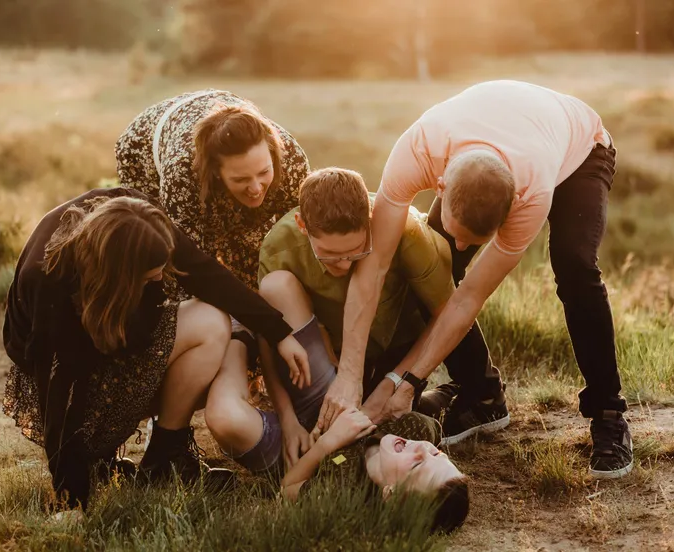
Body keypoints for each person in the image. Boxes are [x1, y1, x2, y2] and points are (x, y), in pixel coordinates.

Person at [336, 80, 633, 479]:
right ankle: (482, 396)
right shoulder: (418, 149)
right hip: (505, 136)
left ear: (509, 212)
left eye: (474, 241)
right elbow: (374, 268)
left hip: (579, 150)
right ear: (440, 185)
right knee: (431, 263)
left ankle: (608, 412)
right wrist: (350, 378)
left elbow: (467, 299)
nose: (460, 243)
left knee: (575, 265)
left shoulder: (531, 193)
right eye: (459, 232)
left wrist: (408, 383)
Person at [2, 187, 309, 512]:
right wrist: (71, 498)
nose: (162, 277)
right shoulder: (49, 282)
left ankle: (164, 458)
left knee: (210, 321)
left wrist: (278, 332)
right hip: (60, 376)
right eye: (150, 278)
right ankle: (94, 459)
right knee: (76, 432)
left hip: (117, 337)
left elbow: (207, 276)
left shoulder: (141, 219)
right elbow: (58, 397)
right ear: (117, 274)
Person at [204, 167, 482, 476]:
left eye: (355, 253)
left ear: (372, 221)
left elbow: (448, 318)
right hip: (323, 366)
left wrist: (397, 381)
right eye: (330, 255)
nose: (344, 264)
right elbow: (271, 336)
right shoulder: (279, 246)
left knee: (392, 425)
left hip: (394, 355)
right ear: (302, 226)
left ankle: (435, 397)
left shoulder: (408, 232)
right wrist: (288, 420)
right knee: (274, 286)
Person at [116, 89, 310, 388]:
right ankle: (189, 372)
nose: (257, 188)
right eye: (241, 179)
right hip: (147, 145)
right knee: (174, 273)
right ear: (216, 173)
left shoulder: (291, 159)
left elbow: (298, 240)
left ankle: (257, 368)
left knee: (254, 253)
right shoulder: (183, 172)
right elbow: (192, 269)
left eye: (263, 173)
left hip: (214, 113)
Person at [281, 408, 470, 535]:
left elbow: (286, 488)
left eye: (416, 465)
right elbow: (433, 431)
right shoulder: (417, 428)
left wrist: (327, 442)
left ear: (391, 494)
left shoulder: (341, 492)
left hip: (302, 433)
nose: (422, 448)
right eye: (436, 454)